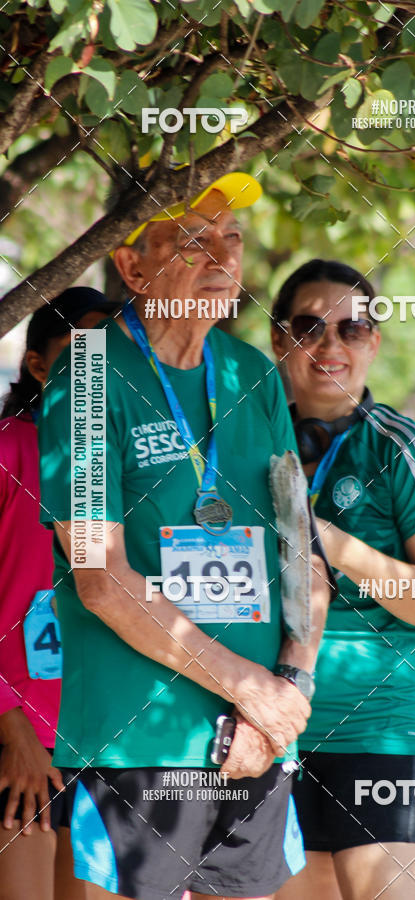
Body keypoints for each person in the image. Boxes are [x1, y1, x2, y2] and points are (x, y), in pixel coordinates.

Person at [37, 173, 330, 900]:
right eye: (192, 241)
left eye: (231, 239)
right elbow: (99, 578)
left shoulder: (251, 373)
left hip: (255, 741)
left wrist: (288, 686)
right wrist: (249, 688)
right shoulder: (90, 371)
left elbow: (301, 553)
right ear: (132, 266)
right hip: (139, 739)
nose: (222, 258)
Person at [270, 259, 415, 900]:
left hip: (384, 734)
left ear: (373, 343)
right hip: (266, 730)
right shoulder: (237, 442)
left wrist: (331, 544)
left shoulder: (403, 450)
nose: (331, 345)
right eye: (310, 327)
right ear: (279, 339)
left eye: (352, 329)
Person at [0, 288, 121, 900]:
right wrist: (10, 724)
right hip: (20, 733)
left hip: (109, 734)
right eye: (79, 357)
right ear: (38, 365)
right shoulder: (5, 450)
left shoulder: (122, 465)